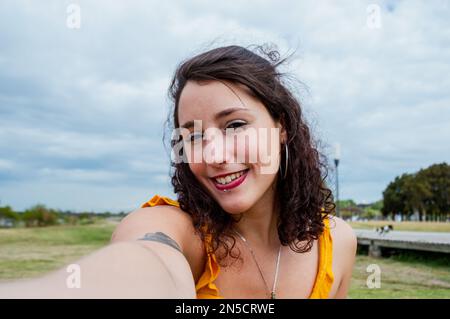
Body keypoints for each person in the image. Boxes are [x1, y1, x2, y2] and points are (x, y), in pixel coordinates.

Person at [0, 44, 356, 299]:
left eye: (234, 125)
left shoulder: (338, 243)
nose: (213, 155)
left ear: (281, 127)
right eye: (195, 135)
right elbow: (147, 259)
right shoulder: (180, 233)